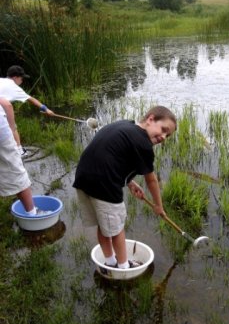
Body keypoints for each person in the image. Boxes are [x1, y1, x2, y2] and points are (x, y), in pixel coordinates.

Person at [73, 106, 177, 269]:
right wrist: (158, 206)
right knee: (117, 229)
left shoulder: (126, 125)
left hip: (83, 178)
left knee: (103, 225)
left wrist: (129, 182)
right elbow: (151, 180)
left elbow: (114, 157)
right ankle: (123, 267)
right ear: (150, 119)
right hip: (104, 184)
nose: (164, 137)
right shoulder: (144, 144)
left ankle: (110, 261)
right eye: (163, 129)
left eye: (168, 135)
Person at [0, 97, 47, 215]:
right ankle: (32, 213)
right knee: (17, 173)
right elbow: (6, 104)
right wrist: (12, 129)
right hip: (2, 136)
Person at [0, 65, 54, 157]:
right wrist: (47, 110)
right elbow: (31, 99)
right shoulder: (14, 87)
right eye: (21, 78)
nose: (22, 81)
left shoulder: (1, 80)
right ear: (15, 77)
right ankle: (20, 151)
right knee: (12, 127)